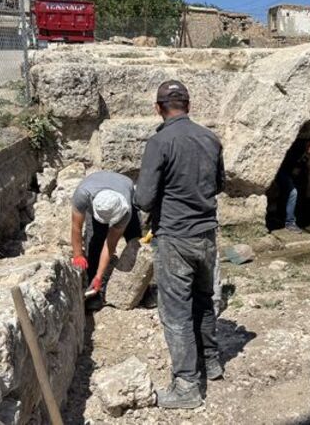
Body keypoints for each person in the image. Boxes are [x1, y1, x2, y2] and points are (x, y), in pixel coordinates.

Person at [135, 80, 225, 409]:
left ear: (159, 108)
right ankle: (212, 363)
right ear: (188, 105)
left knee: (176, 313)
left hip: (174, 237)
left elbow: (144, 199)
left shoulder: (159, 142)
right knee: (203, 301)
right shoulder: (211, 139)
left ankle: (187, 386)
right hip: (206, 236)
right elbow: (217, 185)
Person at [70, 171, 142, 300]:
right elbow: (76, 227)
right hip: (95, 185)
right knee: (96, 240)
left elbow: (110, 245)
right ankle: (94, 291)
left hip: (123, 187)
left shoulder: (125, 209)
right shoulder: (82, 195)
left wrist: (99, 276)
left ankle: (142, 288)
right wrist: (78, 255)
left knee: (135, 239)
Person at [276, 136, 310, 232]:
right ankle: (290, 223)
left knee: (287, 192)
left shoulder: (303, 150)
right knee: (293, 192)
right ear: (309, 144)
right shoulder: (296, 148)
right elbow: (291, 166)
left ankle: (281, 216)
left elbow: (298, 168)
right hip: (280, 171)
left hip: (286, 172)